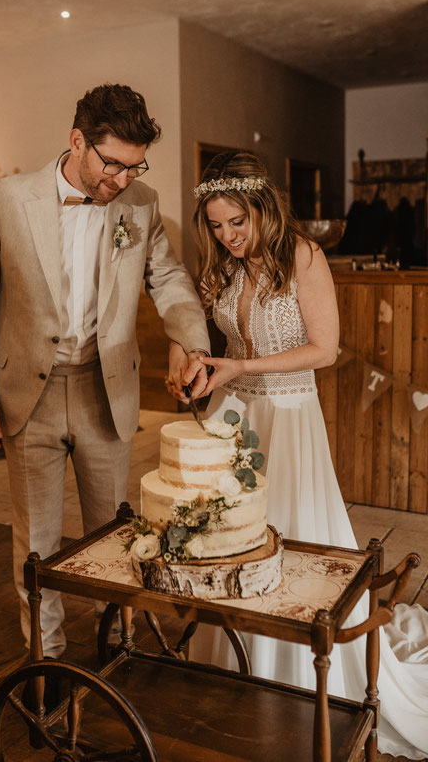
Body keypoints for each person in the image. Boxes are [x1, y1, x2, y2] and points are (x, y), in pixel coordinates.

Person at [167, 151, 428, 758]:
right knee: (232, 538)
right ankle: (232, 661)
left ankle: (296, 671)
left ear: (262, 208)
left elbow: (325, 349)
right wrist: (193, 365)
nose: (227, 236)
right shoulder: (222, 269)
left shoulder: (303, 257)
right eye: (216, 224)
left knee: (291, 537)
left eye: (237, 222)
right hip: (234, 417)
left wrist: (241, 366)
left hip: (289, 418)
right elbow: (216, 340)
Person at [0, 83, 210, 661]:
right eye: (112, 163)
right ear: (77, 141)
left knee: (114, 536)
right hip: (26, 394)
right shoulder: (6, 199)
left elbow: (167, 279)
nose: (122, 179)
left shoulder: (141, 203)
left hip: (104, 388)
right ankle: (46, 661)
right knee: (38, 542)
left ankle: (118, 645)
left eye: (134, 165)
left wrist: (187, 339)